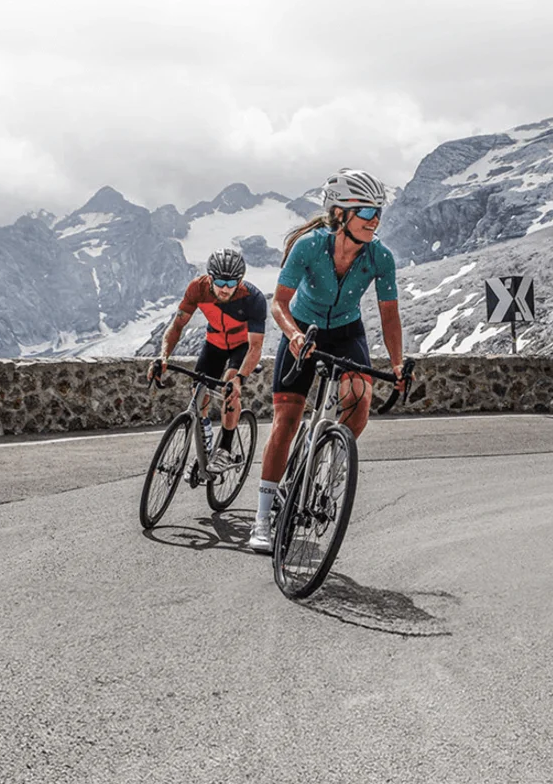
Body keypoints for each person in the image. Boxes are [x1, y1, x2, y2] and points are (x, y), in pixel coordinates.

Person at [249, 168, 405, 553]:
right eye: (366, 211)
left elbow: (389, 315)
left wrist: (399, 364)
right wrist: (295, 335)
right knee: (286, 421)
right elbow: (279, 304)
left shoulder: (380, 257)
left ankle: (327, 460)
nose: (375, 220)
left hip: (347, 331)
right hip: (302, 327)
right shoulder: (309, 246)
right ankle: (262, 519)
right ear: (340, 214)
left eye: (378, 212)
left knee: (359, 398)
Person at [148, 246, 267, 458]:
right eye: (220, 282)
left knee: (230, 385)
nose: (225, 289)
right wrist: (163, 356)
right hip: (215, 343)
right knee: (198, 390)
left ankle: (225, 449)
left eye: (231, 283)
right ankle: (205, 436)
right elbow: (176, 327)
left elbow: (256, 346)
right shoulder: (197, 289)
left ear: (240, 281)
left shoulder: (253, 298)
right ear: (210, 278)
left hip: (241, 347)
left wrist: (240, 379)